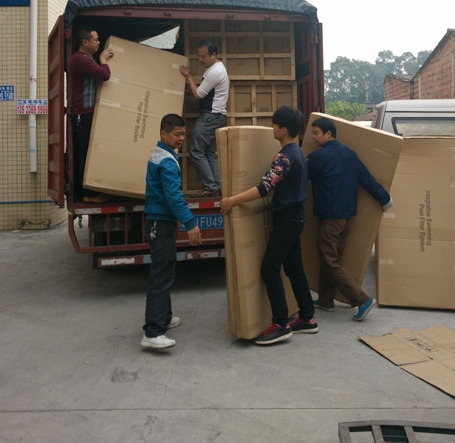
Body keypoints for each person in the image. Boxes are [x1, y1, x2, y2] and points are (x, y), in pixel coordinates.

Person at [220, 106, 316, 346]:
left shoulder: (284, 157)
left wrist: (232, 200)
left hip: (287, 220)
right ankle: (307, 318)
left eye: (274, 125)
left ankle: (281, 324)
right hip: (297, 217)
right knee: (294, 269)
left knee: (269, 269)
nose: (272, 128)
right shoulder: (298, 153)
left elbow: (264, 188)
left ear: (283, 129)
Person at [307, 118, 393, 322]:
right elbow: (366, 179)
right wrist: (385, 199)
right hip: (346, 217)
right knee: (331, 258)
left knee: (329, 260)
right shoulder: (350, 154)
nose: (313, 137)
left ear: (329, 134)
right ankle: (326, 300)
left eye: (317, 132)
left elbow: (300, 179)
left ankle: (361, 299)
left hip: (330, 217)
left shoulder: (318, 157)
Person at [141, 114, 202, 351]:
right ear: (163, 134)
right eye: (177, 134)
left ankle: (164, 318)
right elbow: (174, 197)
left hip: (160, 223)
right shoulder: (166, 161)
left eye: (183, 134)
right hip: (160, 225)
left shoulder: (163, 155)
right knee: (161, 276)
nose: (181, 138)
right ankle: (153, 332)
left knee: (166, 271)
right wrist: (190, 223)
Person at [68, 26, 113, 203]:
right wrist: (103, 59)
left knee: (87, 152)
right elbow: (104, 74)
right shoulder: (80, 59)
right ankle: (86, 192)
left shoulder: (86, 59)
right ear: (85, 42)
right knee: (86, 154)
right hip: (83, 114)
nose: (98, 42)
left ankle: (88, 191)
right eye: (95, 40)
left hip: (85, 113)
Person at [179, 40, 229, 197]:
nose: (200, 60)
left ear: (213, 55)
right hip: (217, 116)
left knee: (196, 151)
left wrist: (189, 77)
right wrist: (192, 89)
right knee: (208, 152)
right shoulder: (217, 69)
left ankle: (210, 187)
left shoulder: (215, 72)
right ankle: (217, 186)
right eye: (198, 56)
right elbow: (204, 92)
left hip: (210, 117)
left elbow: (199, 94)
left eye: (203, 56)